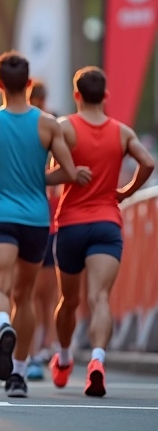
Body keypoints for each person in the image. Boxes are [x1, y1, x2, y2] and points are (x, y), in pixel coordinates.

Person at [0, 52, 78, 398]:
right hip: (35, 219)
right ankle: (17, 374)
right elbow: (70, 172)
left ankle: (2, 325)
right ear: (29, 84)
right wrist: (39, 178)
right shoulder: (48, 124)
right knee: (25, 296)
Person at [50, 67, 155, 397]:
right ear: (105, 96)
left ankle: (64, 359)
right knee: (99, 298)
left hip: (70, 224)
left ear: (76, 94)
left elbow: (50, 171)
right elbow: (148, 163)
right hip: (107, 224)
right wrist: (125, 190)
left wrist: (68, 173)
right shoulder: (122, 132)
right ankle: (97, 360)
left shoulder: (65, 128)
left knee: (68, 300)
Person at [28, 80, 61, 380]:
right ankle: (39, 348)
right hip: (43, 220)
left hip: (46, 219)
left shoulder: (50, 127)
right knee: (39, 295)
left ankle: (42, 347)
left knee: (42, 295)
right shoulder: (46, 126)